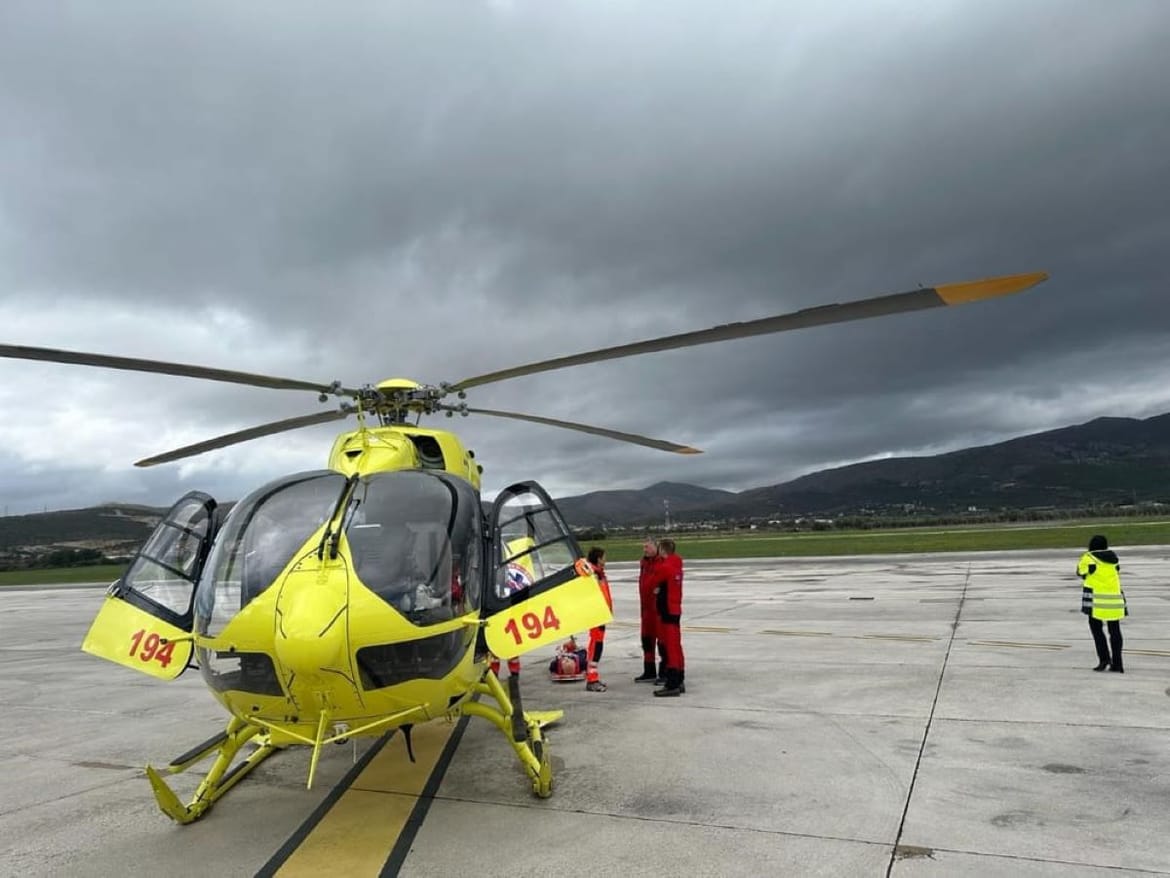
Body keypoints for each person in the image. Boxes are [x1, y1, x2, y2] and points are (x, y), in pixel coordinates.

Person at [1077, 534, 1127, 673]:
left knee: (1097, 630)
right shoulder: (1114, 558)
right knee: (1115, 631)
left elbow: (1080, 572)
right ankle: (1118, 663)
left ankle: (1104, 659)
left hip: (1096, 601)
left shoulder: (1088, 558)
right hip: (1115, 599)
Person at [653, 538, 685, 697]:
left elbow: (652, 582)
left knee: (670, 648)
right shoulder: (677, 565)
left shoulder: (665, 567)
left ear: (662, 550)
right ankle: (679, 679)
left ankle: (672, 683)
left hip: (667, 611)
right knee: (676, 646)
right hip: (675, 609)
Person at [584, 547, 614, 692]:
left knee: (596, 645)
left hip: (601, 615)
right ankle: (592, 679)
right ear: (598, 558)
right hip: (597, 615)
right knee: (596, 646)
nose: (605, 560)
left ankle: (593, 677)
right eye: (604, 557)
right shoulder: (593, 574)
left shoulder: (599, 574)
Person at [635, 539, 664, 683]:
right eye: (643, 547)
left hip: (658, 609)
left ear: (656, 547)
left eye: (647, 547)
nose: (644, 549)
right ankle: (649, 671)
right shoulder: (644, 563)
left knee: (663, 641)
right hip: (646, 609)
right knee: (647, 640)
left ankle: (664, 672)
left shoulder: (662, 562)